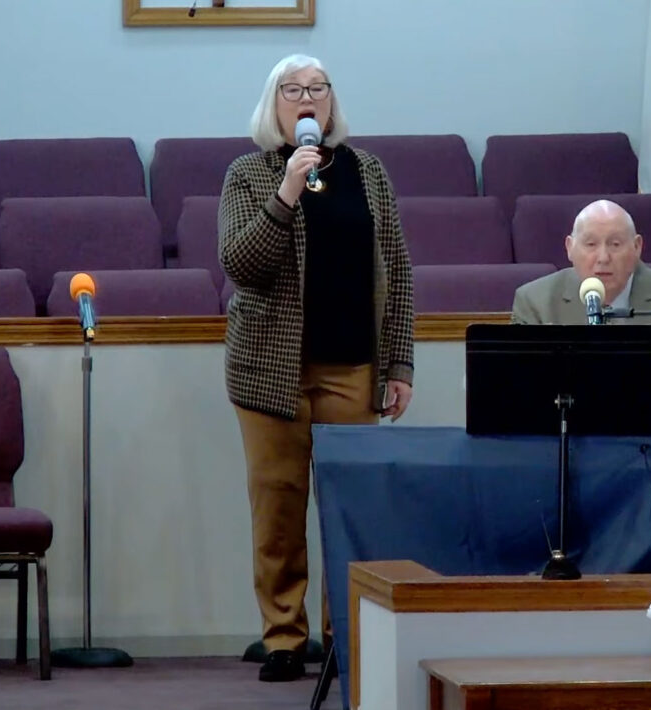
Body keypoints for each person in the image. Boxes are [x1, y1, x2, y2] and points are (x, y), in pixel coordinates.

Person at [218, 53, 414, 682]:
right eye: (293, 90)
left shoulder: (368, 171)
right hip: (269, 371)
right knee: (278, 511)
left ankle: (341, 637)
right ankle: (283, 637)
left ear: (331, 103)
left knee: (348, 505)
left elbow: (396, 269)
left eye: (318, 89)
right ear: (273, 104)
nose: (307, 99)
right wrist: (287, 192)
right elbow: (242, 265)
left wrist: (399, 362)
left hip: (352, 364)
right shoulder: (249, 173)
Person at [511, 199, 651, 430]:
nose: (603, 257)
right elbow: (518, 387)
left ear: (637, 247)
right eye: (590, 244)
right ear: (570, 247)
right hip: (566, 442)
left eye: (615, 244)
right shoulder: (535, 302)